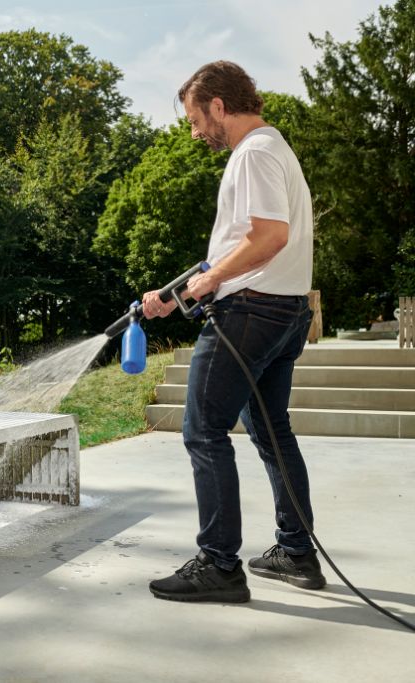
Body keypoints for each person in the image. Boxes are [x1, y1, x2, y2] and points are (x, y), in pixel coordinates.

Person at [142, 61, 326, 603]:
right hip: (284, 309)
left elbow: (268, 238)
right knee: (272, 433)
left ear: (219, 106)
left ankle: (219, 565)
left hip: (250, 313)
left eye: (197, 119)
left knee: (203, 431)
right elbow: (235, 249)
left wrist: (211, 281)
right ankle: (296, 553)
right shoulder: (274, 150)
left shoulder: (254, 153)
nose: (196, 132)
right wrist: (175, 293)